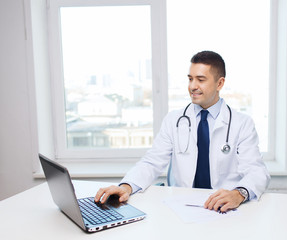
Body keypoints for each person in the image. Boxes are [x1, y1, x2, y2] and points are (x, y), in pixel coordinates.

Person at [95, 50, 270, 213]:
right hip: (182, 208)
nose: (192, 86)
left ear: (220, 83)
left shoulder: (241, 124)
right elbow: (152, 162)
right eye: (190, 78)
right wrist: (126, 186)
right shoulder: (174, 120)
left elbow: (257, 172)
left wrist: (238, 194)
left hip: (224, 210)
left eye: (201, 79)